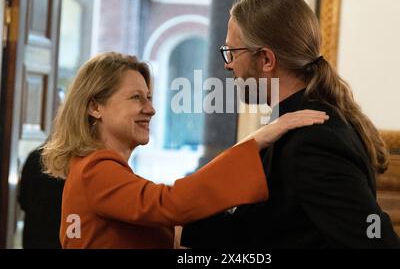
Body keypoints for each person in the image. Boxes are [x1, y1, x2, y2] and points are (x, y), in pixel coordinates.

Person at [181, 0, 400, 248]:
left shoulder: (313, 140)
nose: (228, 64)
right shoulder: (292, 125)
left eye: (232, 52)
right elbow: (266, 229)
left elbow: (377, 241)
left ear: (266, 59)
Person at [42, 51, 328, 249]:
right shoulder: (95, 169)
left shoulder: (101, 169)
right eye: (136, 98)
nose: (150, 109)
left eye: (150, 97)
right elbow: (171, 204)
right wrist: (254, 143)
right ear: (95, 107)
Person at [18, 147, 64, 249]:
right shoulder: (66, 161)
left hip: (33, 232)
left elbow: (22, 199)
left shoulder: (33, 157)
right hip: (57, 233)